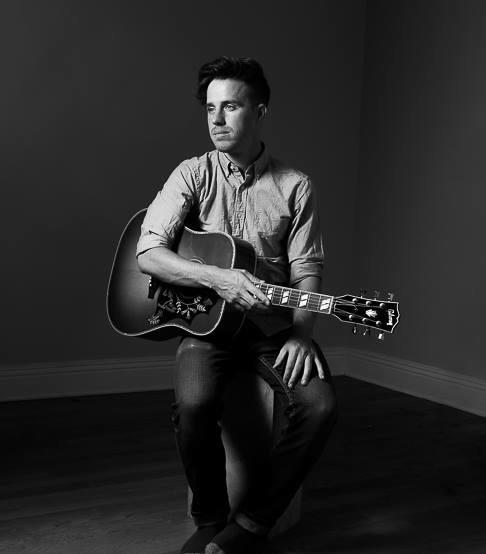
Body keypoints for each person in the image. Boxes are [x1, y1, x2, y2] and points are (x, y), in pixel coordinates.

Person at [136, 57, 337, 554]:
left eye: (230, 106)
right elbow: (148, 252)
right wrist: (218, 279)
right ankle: (210, 518)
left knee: (320, 406)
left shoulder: (295, 186)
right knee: (193, 405)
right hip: (207, 326)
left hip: (273, 327)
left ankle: (252, 523)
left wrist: (302, 333)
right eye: (210, 108)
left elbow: (306, 270)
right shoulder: (192, 173)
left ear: (259, 111)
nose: (217, 119)